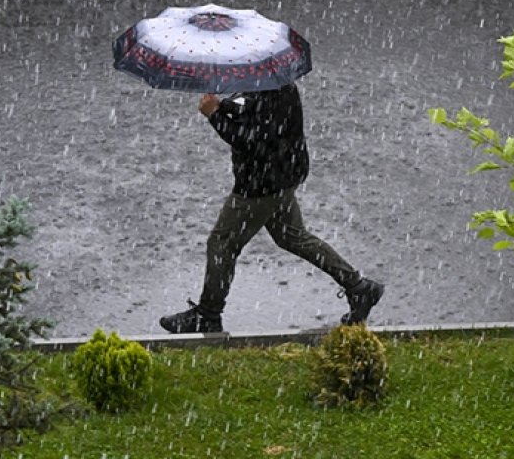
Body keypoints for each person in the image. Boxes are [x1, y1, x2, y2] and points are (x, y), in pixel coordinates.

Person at [159, 83, 384, 334]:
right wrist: (226, 105)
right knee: (292, 236)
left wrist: (215, 115)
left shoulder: (271, 90)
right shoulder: (271, 83)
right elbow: (252, 112)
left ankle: (208, 315)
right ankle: (360, 288)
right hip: (281, 176)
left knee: (221, 243)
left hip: (261, 184)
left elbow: (253, 141)